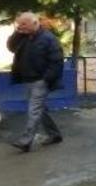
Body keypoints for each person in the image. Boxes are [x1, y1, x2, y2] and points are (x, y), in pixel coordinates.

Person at [7, 12, 64, 152]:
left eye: (23, 24)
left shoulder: (48, 39)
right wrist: (17, 33)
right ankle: (55, 134)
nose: (21, 27)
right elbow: (11, 47)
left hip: (40, 81)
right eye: (19, 24)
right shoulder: (23, 37)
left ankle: (26, 141)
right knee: (40, 110)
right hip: (28, 80)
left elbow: (57, 61)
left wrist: (46, 79)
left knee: (34, 110)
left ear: (34, 23)